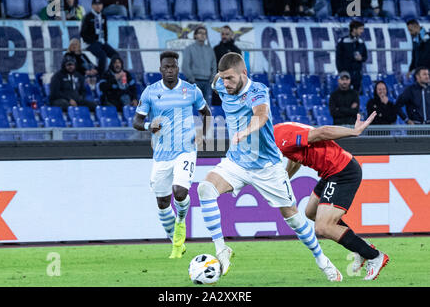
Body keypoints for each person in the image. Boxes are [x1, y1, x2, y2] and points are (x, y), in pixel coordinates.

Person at [197, 52, 342, 282]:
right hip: (236, 162)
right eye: (223, 78)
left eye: (231, 79)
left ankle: (322, 259)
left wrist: (245, 131)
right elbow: (219, 79)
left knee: (293, 218)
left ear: (244, 73)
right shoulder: (220, 84)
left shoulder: (257, 91)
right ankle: (221, 250)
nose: (226, 84)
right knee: (205, 189)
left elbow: (261, 115)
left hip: (267, 167)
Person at [273, 111, 390, 281]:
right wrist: (284, 180)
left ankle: (375, 256)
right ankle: (361, 248)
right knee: (311, 212)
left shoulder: (280, 138)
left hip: (343, 171)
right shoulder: (278, 134)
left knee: (323, 227)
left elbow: (322, 132)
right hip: (331, 172)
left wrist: (353, 131)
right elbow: (295, 158)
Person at [132, 51, 212, 259]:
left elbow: (206, 114)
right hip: (161, 154)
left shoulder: (191, 90)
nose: (170, 70)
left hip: (185, 150)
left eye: (173, 67)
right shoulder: (150, 92)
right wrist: (150, 125)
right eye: (166, 67)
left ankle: (180, 223)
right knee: (162, 203)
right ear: (160, 69)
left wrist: (202, 134)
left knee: (180, 192)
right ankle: (176, 243)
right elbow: (137, 122)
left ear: (178, 68)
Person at [80, 0, 119, 77]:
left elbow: (105, 30)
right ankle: (100, 75)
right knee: (102, 55)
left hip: (101, 42)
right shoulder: (88, 17)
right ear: (92, 6)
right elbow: (83, 33)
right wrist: (91, 41)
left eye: (100, 4)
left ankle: (111, 72)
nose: (98, 6)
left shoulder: (103, 16)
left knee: (115, 55)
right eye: (96, 4)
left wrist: (104, 41)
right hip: (90, 43)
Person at [182, 26, 216, 106]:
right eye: (200, 33)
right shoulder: (189, 49)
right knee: (192, 107)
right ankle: (192, 119)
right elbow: (185, 66)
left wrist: (212, 79)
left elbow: (214, 65)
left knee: (207, 107)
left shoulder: (210, 50)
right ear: (195, 35)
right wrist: (192, 79)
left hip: (207, 82)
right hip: (194, 82)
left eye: (204, 33)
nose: (202, 35)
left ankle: (207, 119)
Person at [335, 20, 368, 93]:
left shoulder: (361, 42)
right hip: (345, 74)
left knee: (357, 94)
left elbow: (365, 56)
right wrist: (341, 73)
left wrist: (361, 58)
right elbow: (338, 58)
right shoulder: (343, 41)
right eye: (360, 29)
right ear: (354, 29)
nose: (362, 31)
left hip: (357, 74)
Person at [213, 26, 242, 106]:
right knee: (217, 107)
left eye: (227, 34)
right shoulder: (216, 49)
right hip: (219, 82)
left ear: (231, 35)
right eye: (222, 34)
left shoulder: (236, 50)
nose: (224, 36)